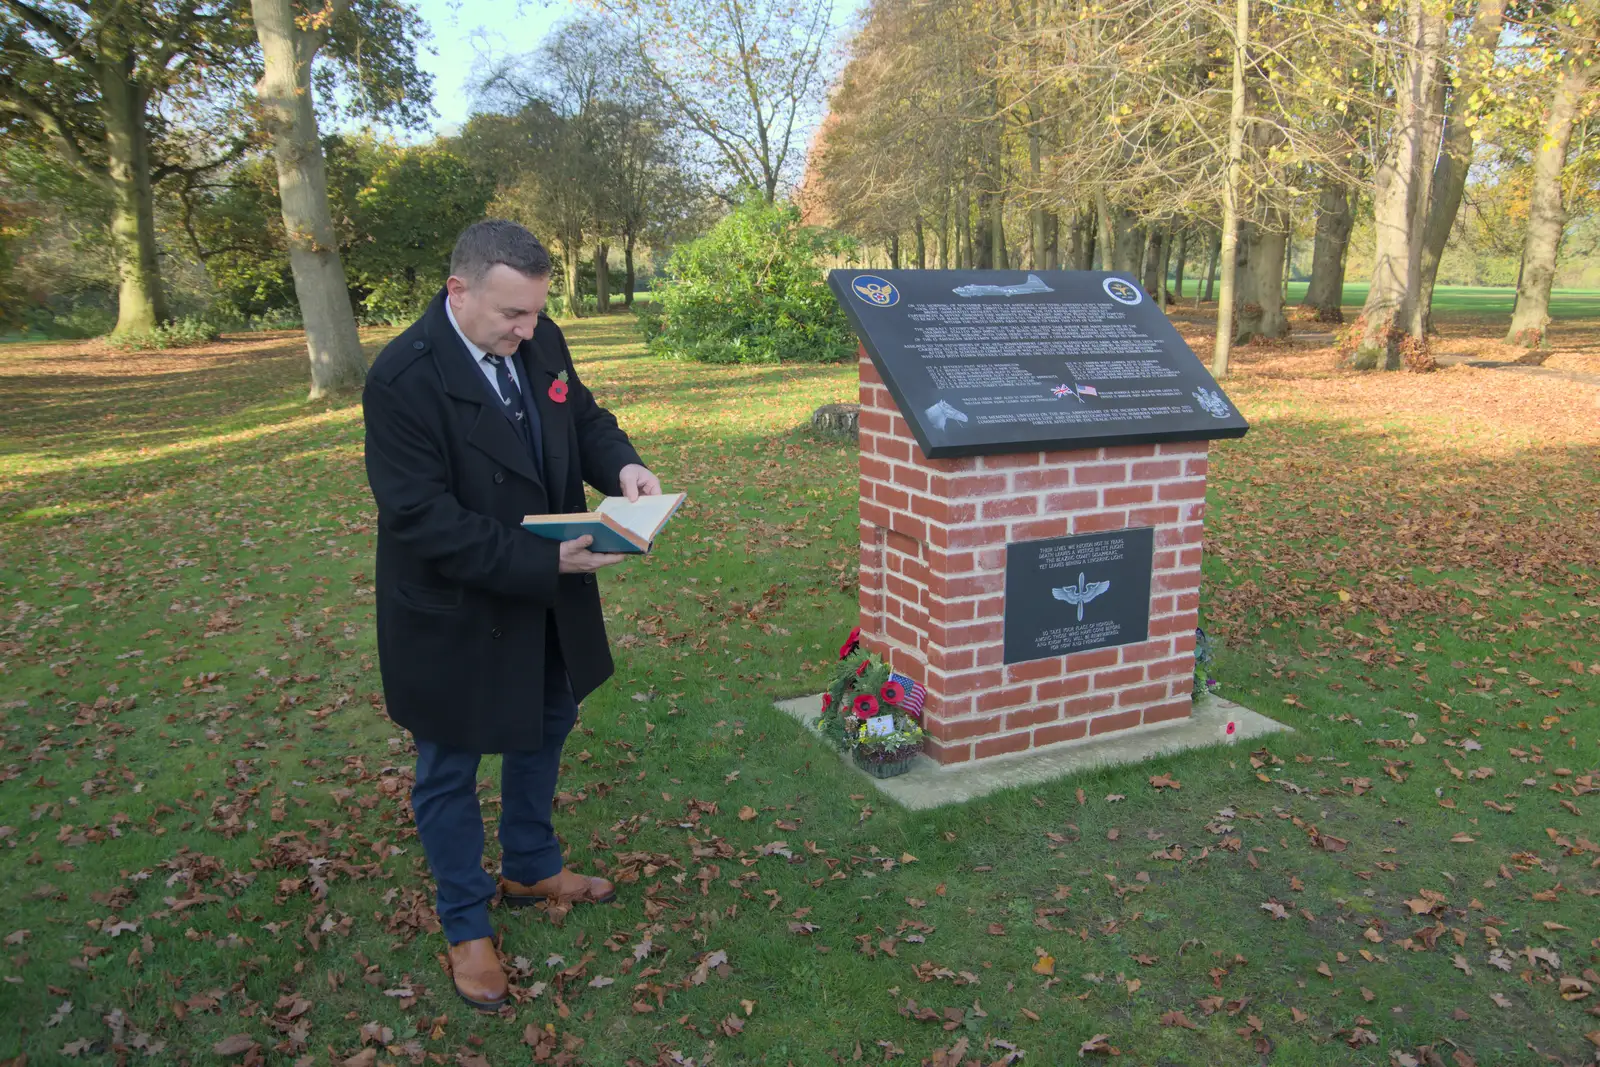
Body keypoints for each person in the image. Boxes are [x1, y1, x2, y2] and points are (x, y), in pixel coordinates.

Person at [362, 219, 660, 1011]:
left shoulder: (539, 334)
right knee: (449, 767)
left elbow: (582, 416)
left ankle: (530, 862)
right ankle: (466, 922)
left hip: (547, 590)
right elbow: (421, 517)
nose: (529, 332)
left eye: (535, 314)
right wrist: (542, 560)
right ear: (458, 291)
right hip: (455, 607)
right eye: (512, 317)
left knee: (548, 718)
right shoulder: (401, 379)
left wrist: (621, 462)